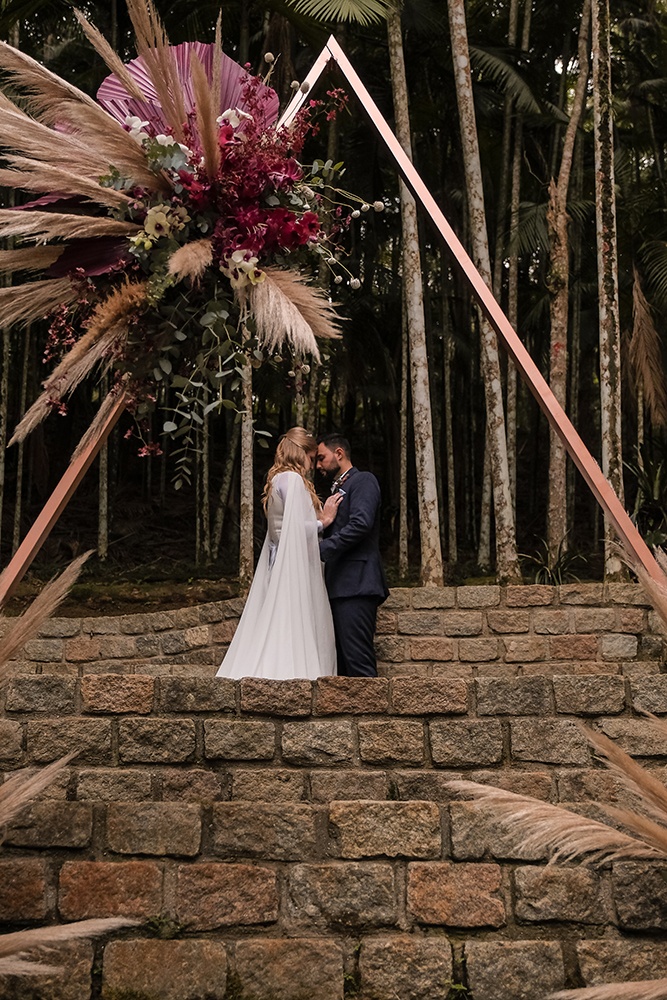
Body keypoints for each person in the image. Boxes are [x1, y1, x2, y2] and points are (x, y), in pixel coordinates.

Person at [216, 427, 342, 680]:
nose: (311, 464)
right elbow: (294, 531)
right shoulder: (293, 480)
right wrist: (324, 521)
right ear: (302, 452)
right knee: (292, 620)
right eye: (311, 456)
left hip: (279, 561)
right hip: (291, 564)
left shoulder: (276, 480)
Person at [317, 434, 389, 677]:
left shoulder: (363, 481)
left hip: (357, 584)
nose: (318, 465)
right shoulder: (336, 490)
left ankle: (374, 715)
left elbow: (361, 524)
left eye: (321, 458)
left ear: (339, 454)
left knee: (358, 662)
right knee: (343, 667)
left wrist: (322, 550)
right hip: (339, 585)